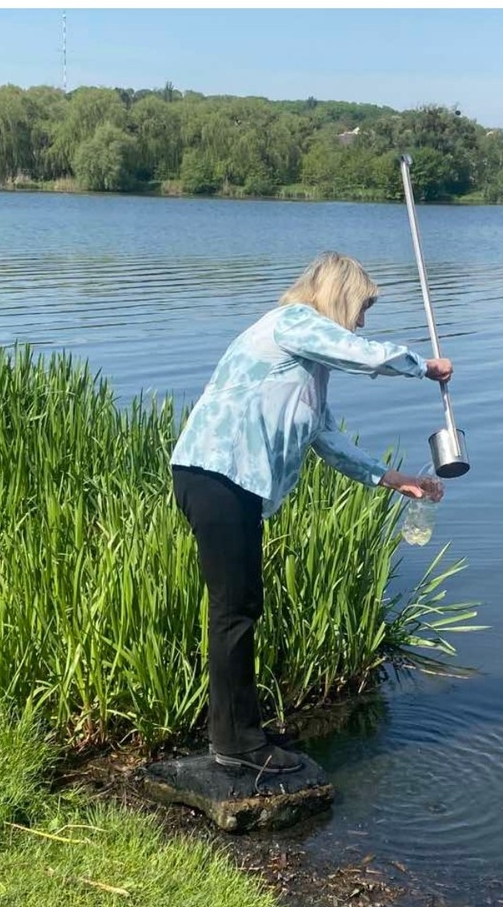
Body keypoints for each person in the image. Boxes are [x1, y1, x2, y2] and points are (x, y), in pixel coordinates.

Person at [170, 250, 452, 776]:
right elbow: (360, 353)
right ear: (338, 297)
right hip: (216, 476)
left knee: (240, 607)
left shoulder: (305, 361)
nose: (363, 321)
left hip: (228, 482)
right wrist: (424, 367)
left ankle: (238, 731)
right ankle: (236, 746)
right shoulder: (293, 322)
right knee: (235, 612)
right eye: (361, 308)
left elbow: (324, 437)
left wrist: (395, 480)